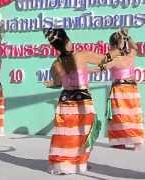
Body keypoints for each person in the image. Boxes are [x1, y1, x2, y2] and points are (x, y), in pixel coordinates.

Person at [43, 28, 121, 175]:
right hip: (82, 100)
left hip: (65, 101)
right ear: (66, 42)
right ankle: (79, 163)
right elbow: (105, 58)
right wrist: (119, 49)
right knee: (82, 134)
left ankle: (63, 165)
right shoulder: (81, 55)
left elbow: (58, 84)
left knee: (66, 134)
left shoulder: (55, 65)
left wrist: (50, 83)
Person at [95, 29, 144, 150]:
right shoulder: (129, 55)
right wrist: (127, 37)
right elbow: (135, 48)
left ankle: (121, 141)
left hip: (120, 89)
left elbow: (100, 67)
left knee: (121, 116)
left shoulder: (113, 58)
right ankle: (135, 141)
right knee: (132, 115)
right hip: (131, 89)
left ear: (111, 45)